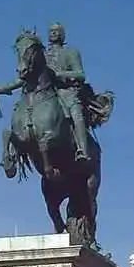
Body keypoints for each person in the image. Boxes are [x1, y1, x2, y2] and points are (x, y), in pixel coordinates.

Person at [44, 22, 91, 162]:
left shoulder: (70, 52)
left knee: (77, 115)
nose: (53, 33)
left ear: (62, 34)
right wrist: (3, 89)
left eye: (56, 31)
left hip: (66, 92)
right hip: (48, 93)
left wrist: (59, 74)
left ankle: (82, 149)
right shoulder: (43, 55)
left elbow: (81, 74)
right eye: (51, 31)